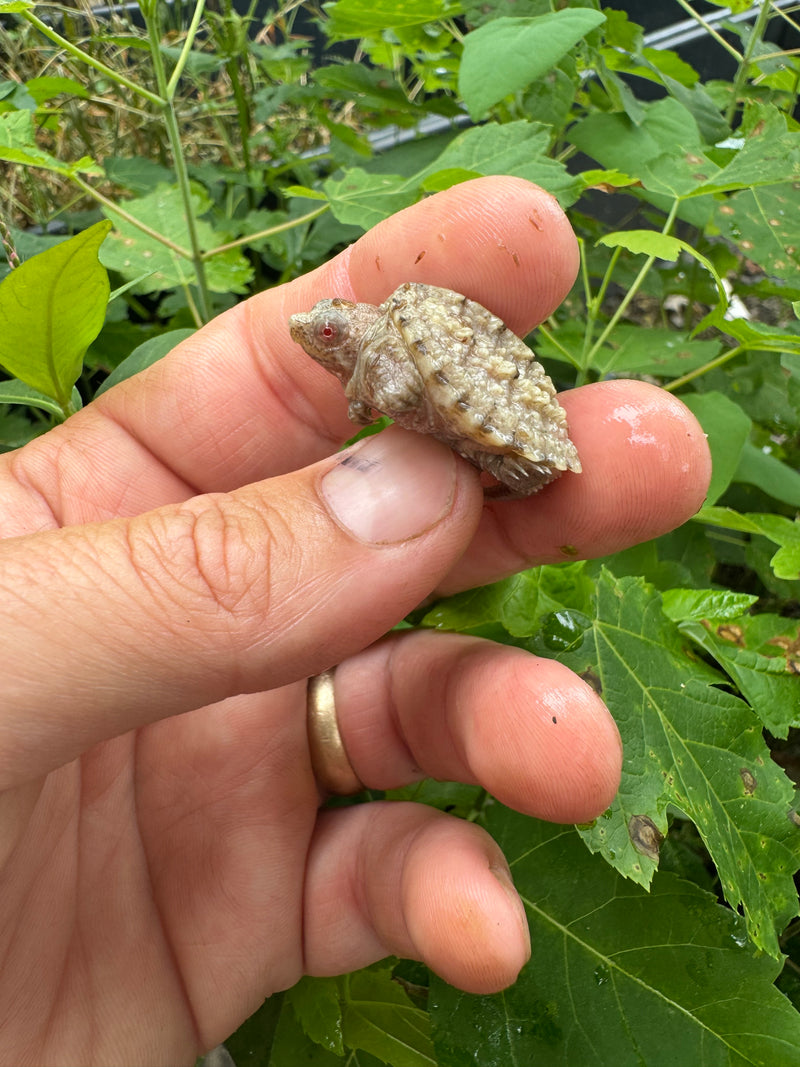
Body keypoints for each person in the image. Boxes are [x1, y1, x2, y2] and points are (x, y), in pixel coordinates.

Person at [0, 177, 710, 1065]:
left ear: (357, 331)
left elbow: (402, 376)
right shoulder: (387, 334)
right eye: (323, 335)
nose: (316, 342)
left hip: (502, 433)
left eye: (329, 335)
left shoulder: (398, 331)